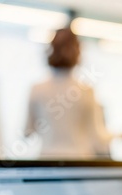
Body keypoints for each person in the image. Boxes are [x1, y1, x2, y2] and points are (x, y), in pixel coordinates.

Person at [25, 28, 110, 158]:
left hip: (47, 163)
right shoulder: (86, 91)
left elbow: (28, 132)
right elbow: (99, 139)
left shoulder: (37, 89)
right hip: (78, 165)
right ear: (78, 51)